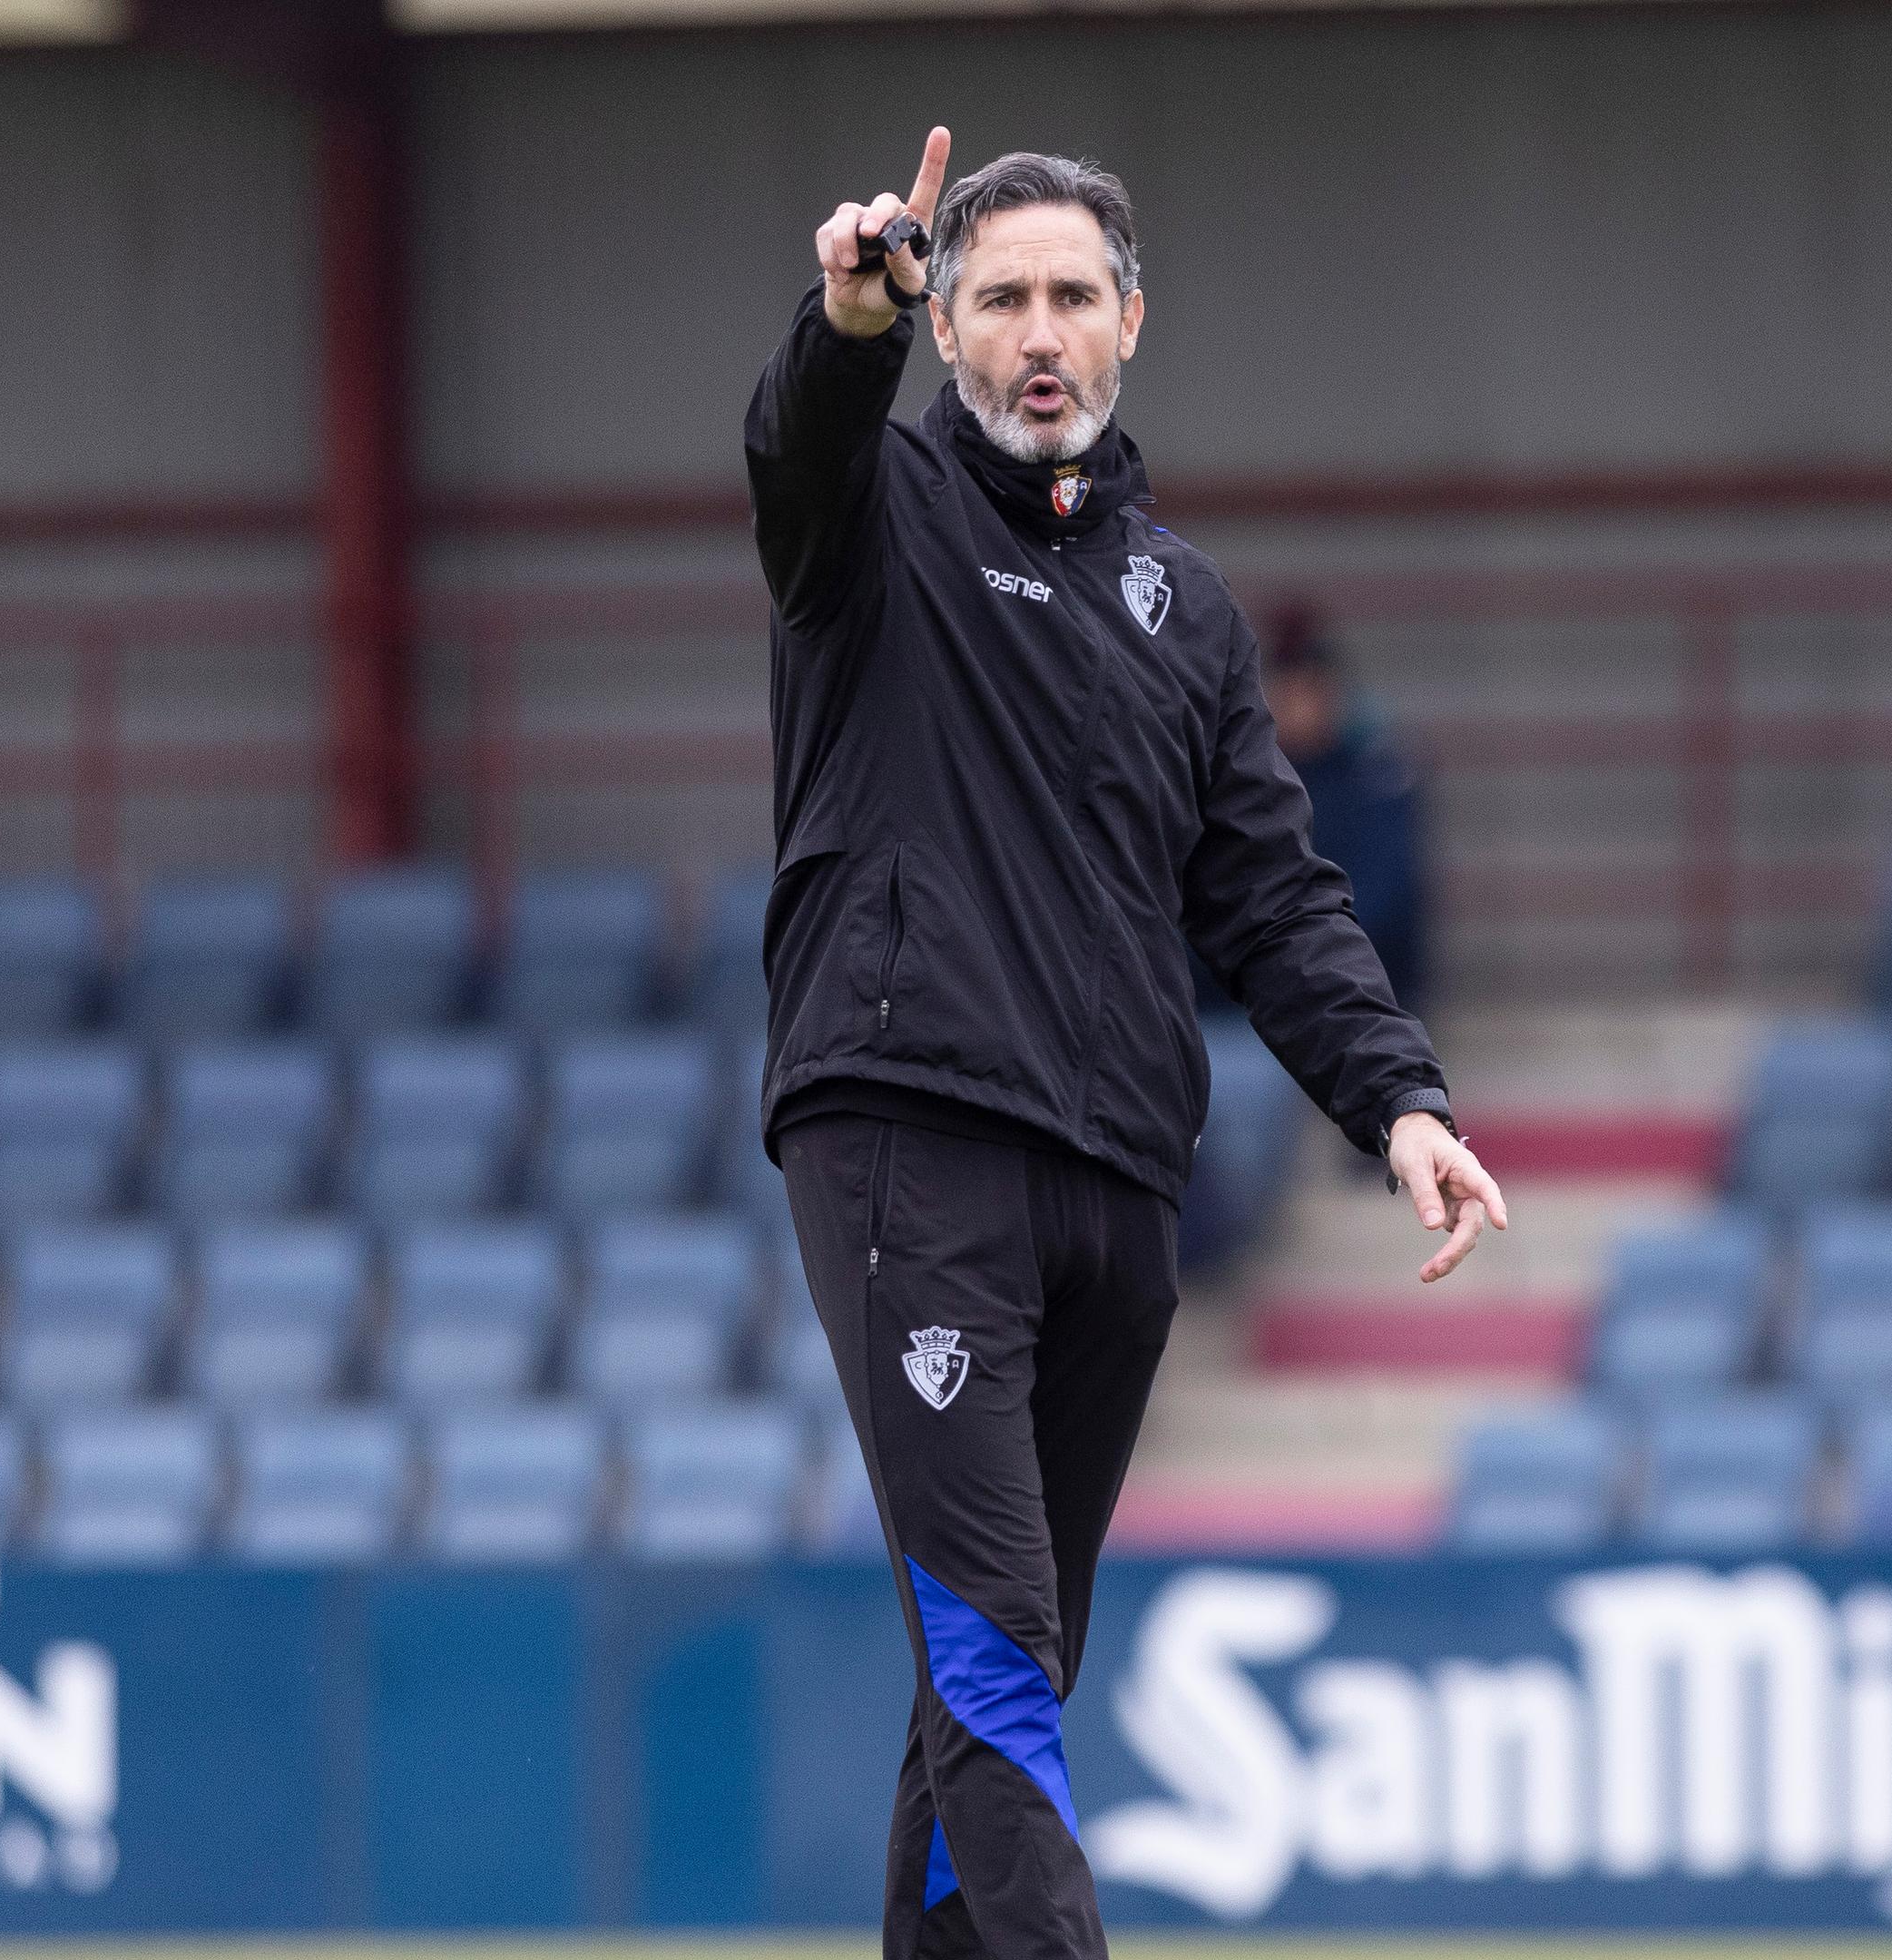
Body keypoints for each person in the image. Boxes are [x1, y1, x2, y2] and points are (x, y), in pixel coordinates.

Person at [745, 129, 1509, 1960]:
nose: (1036, 332)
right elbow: (796, 447)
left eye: (1072, 296)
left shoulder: (1187, 608)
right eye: (995, 295)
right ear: (947, 330)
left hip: (1119, 1199)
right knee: (1000, 1667)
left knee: (988, 1692)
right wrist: (843, 320)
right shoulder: (876, 518)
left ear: (1131, 325)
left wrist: (1399, 1098)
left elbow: (1278, 898)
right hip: (911, 1142)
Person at [1260, 606, 1432, 1009]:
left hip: (1366, 985)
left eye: (1306, 691)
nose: (1295, 705)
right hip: (1259, 989)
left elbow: (1385, 893)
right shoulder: (1250, 776)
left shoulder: (1376, 775)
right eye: (1285, 691)